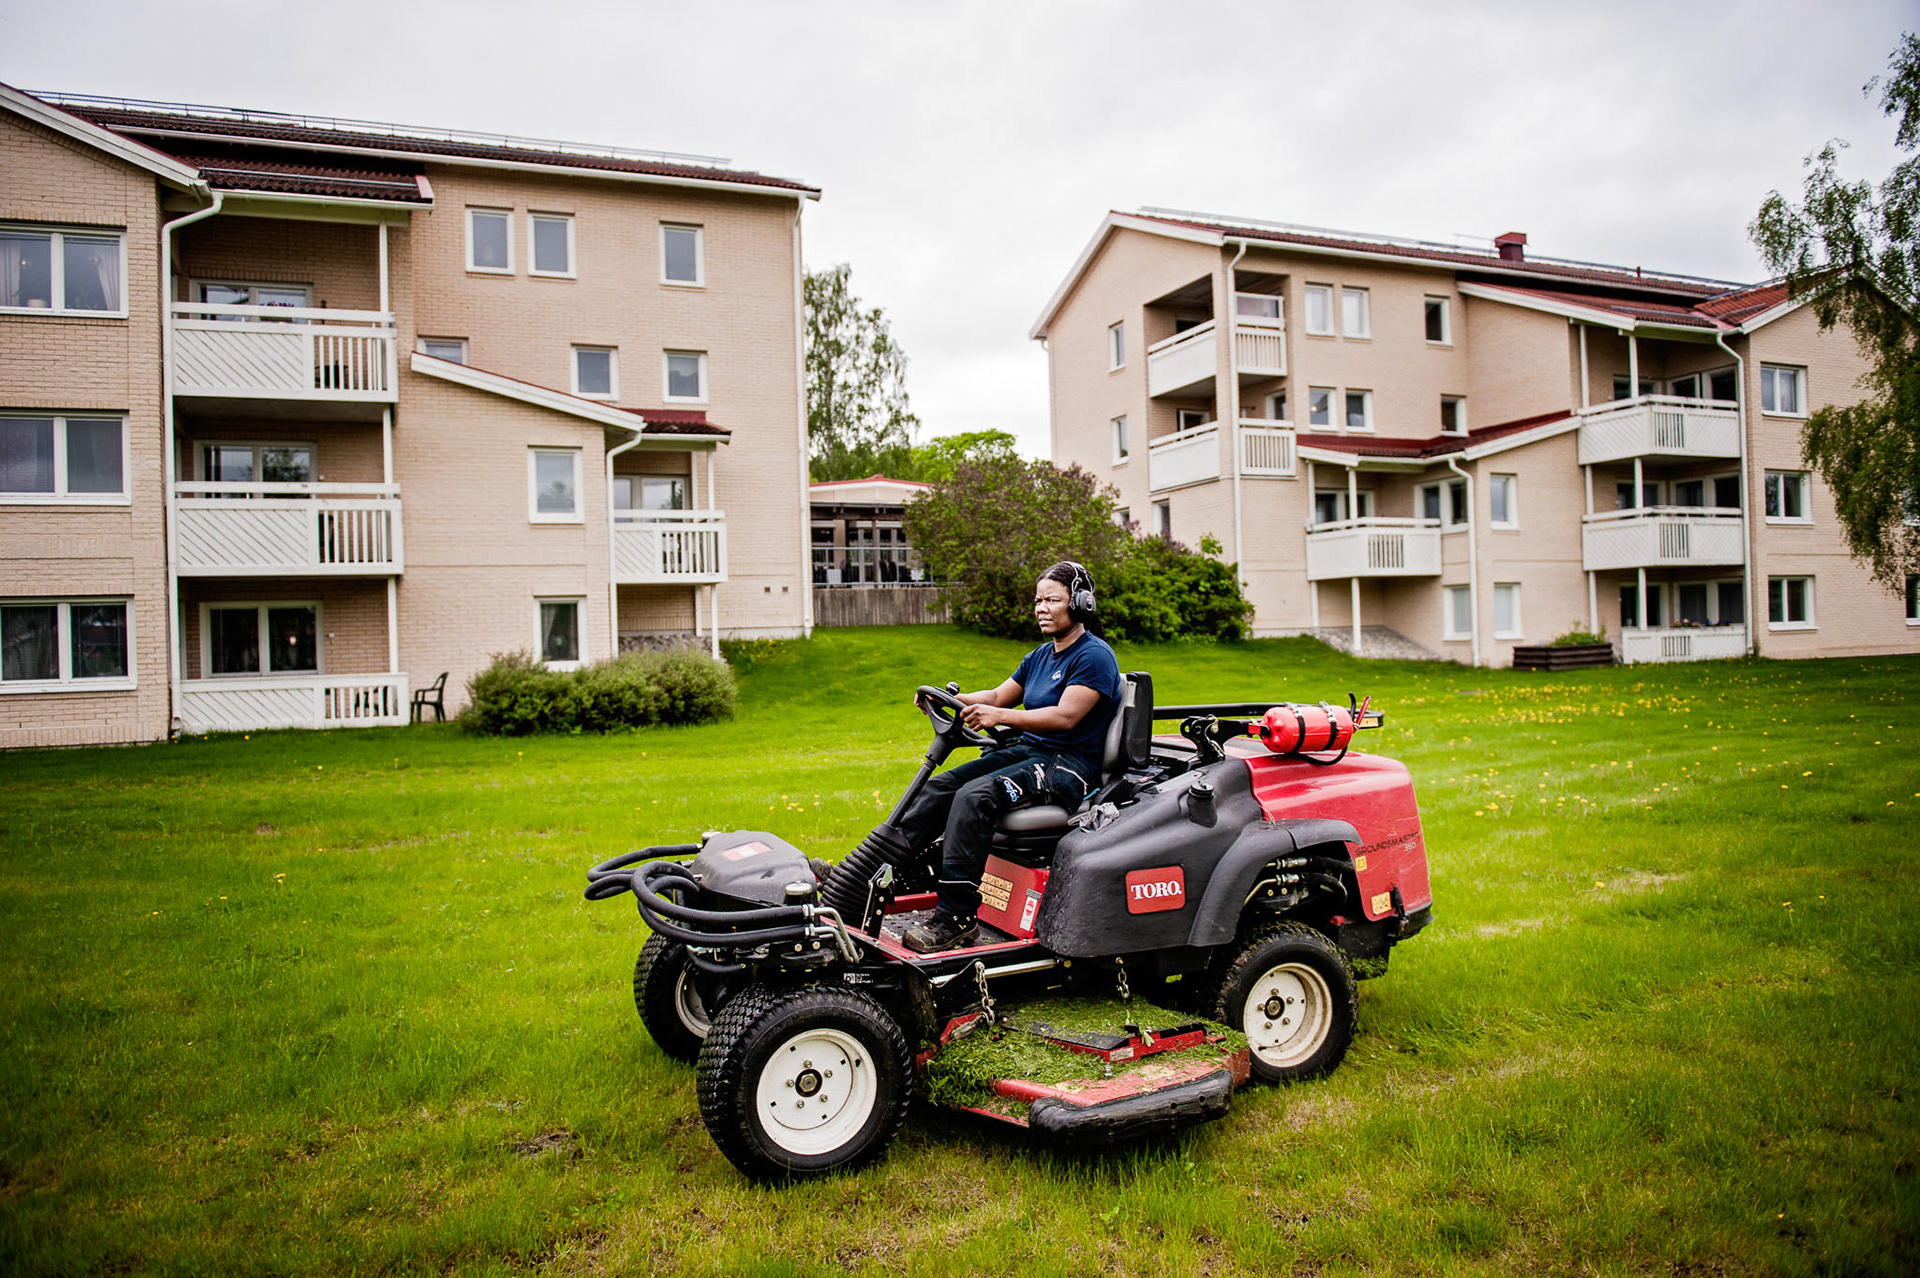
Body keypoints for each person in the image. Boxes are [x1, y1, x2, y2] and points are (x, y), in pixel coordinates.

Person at [893, 561, 1122, 952]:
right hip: (1030, 752)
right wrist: (950, 698)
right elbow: (998, 696)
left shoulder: (1094, 656)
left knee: (973, 797)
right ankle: (880, 873)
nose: (1041, 608)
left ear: (1080, 603)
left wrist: (1000, 717)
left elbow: (1066, 717)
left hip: (1070, 765)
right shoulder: (1039, 656)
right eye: (1038, 600)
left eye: (1052, 599)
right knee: (940, 788)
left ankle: (956, 920)